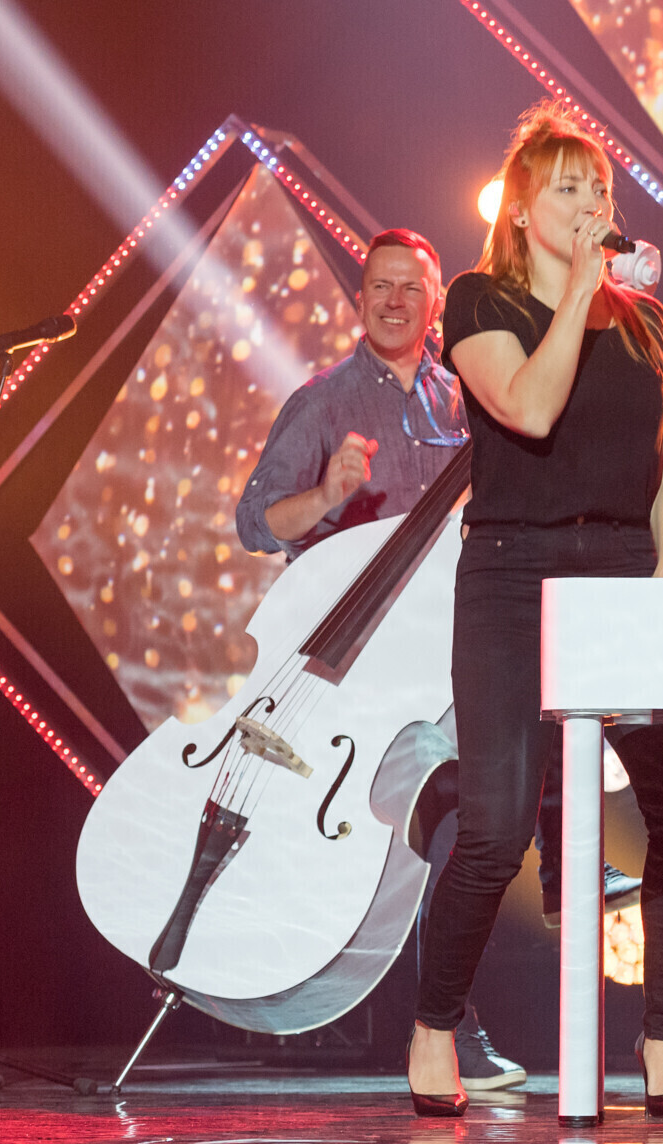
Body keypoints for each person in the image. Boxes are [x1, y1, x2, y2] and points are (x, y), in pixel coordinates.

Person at [234, 228, 637, 1093]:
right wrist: (328, 494)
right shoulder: (322, 402)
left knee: (555, 701)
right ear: (359, 300)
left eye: (410, 288)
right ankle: (450, 1029)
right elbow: (256, 523)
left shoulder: (469, 393)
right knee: (455, 815)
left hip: (460, 641)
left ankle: (568, 865)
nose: (393, 302)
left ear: (436, 305)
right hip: (365, 680)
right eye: (378, 287)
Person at [404, 100, 663, 1120]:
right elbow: (529, 409)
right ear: (522, 209)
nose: (590, 205)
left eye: (601, 190)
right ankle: (434, 1023)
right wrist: (581, 287)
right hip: (514, 572)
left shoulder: (647, 322)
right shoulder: (478, 302)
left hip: (626, 567)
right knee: (497, 830)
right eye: (568, 188)